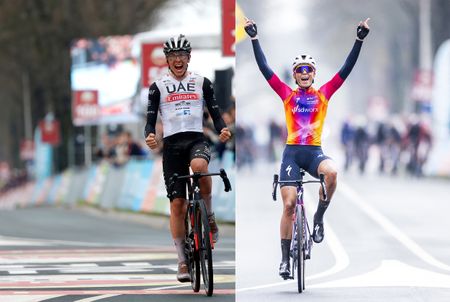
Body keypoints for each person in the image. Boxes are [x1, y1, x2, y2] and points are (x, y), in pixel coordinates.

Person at [244, 17, 370, 278]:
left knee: (333, 173)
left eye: (308, 70)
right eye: (299, 70)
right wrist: (254, 39)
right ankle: (284, 261)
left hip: (313, 152)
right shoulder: (286, 95)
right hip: (292, 153)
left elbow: (346, 70)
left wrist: (358, 40)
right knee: (289, 205)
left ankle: (319, 217)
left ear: (314, 74)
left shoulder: (323, 94)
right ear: (294, 74)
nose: (303, 74)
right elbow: (264, 68)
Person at [144, 34, 231, 283]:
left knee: (200, 166)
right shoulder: (157, 87)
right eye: (173, 56)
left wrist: (223, 128)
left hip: (196, 140)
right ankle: (182, 260)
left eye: (182, 56)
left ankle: (210, 217)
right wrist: (150, 136)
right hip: (172, 146)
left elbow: (215, 111)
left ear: (189, 58)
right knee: (177, 205)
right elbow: (150, 122)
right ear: (167, 60)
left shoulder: (202, 82)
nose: (178, 60)